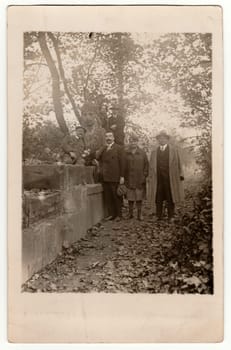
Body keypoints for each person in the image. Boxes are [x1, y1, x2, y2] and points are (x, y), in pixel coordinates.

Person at [148, 130, 184, 222]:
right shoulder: (154, 152)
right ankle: (158, 215)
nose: (162, 140)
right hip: (158, 178)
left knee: (170, 196)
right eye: (160, 138)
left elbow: (179, 163)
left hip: (170, 178)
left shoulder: (174, 150)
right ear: (158, 140)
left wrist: (181, 174)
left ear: (167, 139)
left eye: (164, 138)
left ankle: (171, 216)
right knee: (158, 197)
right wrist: (150, 176)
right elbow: (151, 166)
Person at [95, 131, 125, 221]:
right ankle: (112, 214)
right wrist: (102, 148)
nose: (108, 138)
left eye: (110, 136)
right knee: (108, 197)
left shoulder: (119, 148)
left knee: (116, 196)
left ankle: (119, 215)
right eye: (106, 136)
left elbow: (123, 163)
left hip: (115, 176)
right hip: (105, 177)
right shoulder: (103, 149)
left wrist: (122, 176)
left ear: (113, 138)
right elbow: (97, 157)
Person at [124, 134, 149, 220]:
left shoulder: (142, 153)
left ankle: (139, 214)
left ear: (137, 142)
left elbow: (146, 165)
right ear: (129, 142)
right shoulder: (126, 153)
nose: (133, 143)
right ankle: (130, 213)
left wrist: (144, 175)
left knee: (139, 197)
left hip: (139, 178)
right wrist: (123, 176)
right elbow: (123, 165)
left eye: (134, 141)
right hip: (129, 178)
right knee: (130, 197)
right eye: (131, 141)